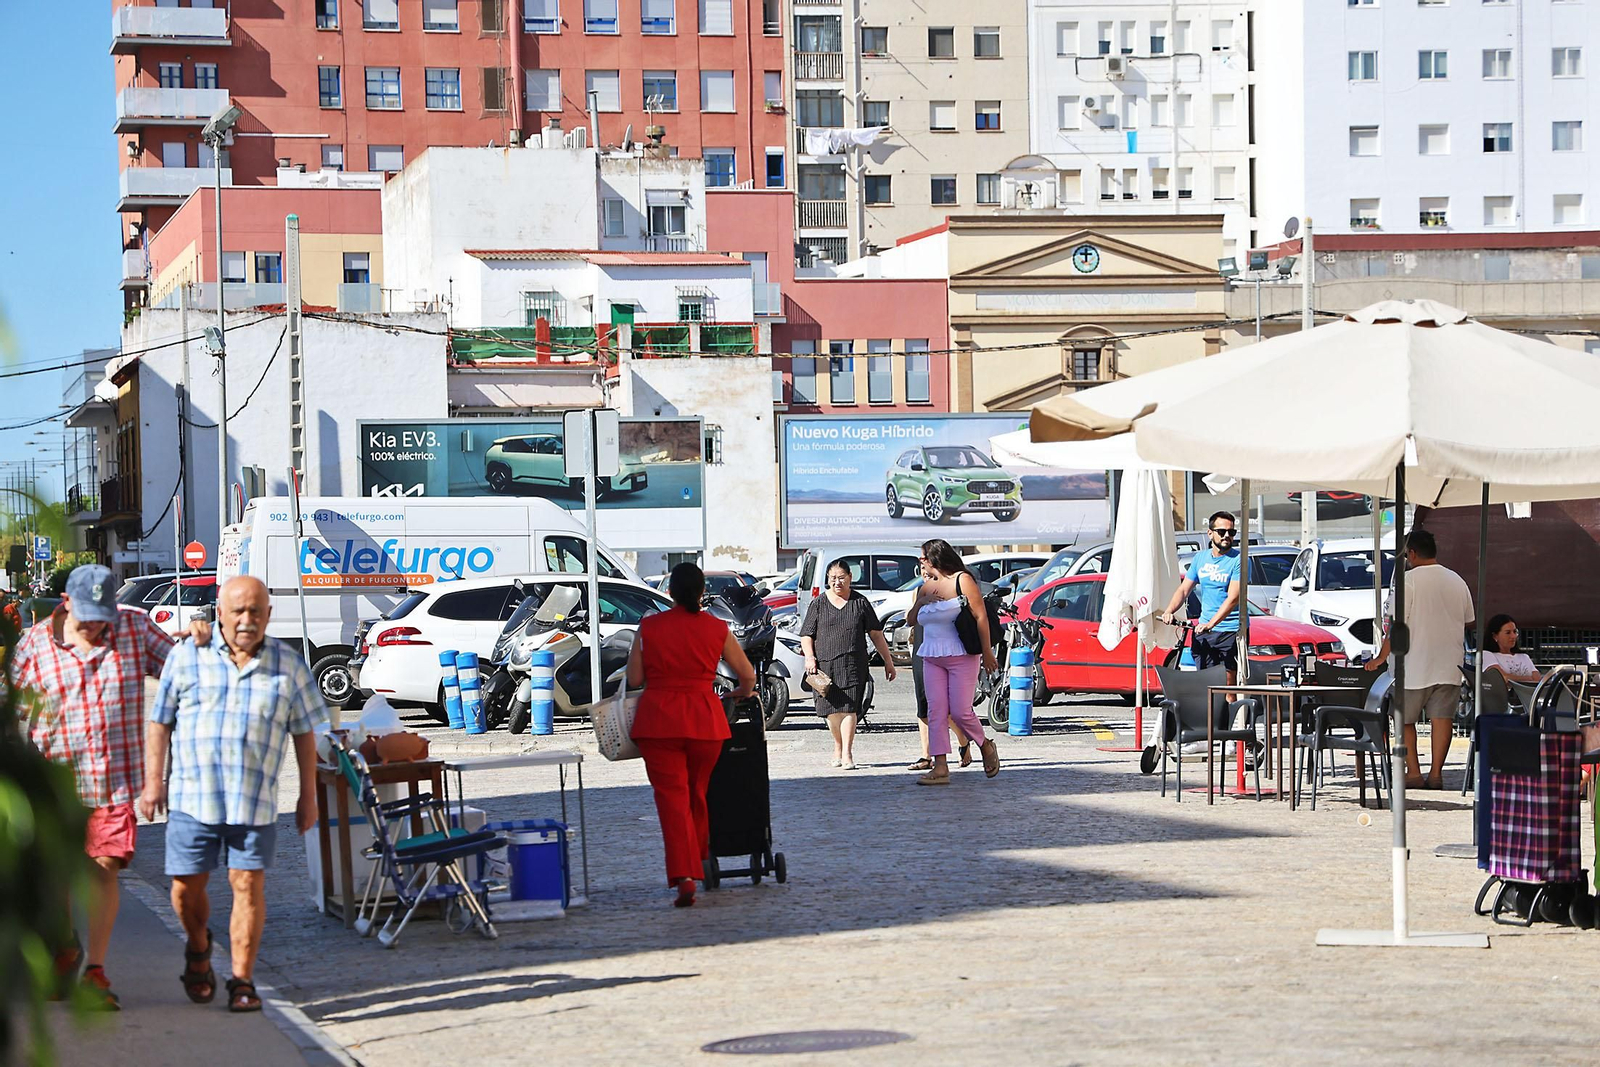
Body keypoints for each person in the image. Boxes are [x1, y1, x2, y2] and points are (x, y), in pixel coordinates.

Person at [139, 575, 321, 1013]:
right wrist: (153, 780)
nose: (246, 619)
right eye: (238, 610)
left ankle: (242, 980)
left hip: (253, 799)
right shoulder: (187, 657)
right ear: (219, 612)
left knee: (248, 887)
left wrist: (307, 795)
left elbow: (305, 732)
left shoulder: (288, 664)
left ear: (269, 615)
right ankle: (199, 947)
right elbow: (160, 722)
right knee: (184, 889)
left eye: (256, 611)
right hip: (190, 798)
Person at [9, 564, 183, 1010]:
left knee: (104, 868)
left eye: (102, 615)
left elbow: (183, 674)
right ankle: (66, 945)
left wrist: (204, 649)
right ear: (66, 603)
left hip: (113, 780)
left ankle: (96, 971)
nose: (95, 625)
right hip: (55, 784)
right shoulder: (33, 645)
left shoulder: (134, 628)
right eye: (86, 614)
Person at [627, 562, 756, 908]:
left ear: (669, 592)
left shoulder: (649, 627)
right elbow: (747, 676)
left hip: (658, 721)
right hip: (704, 720)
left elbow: (635, 679)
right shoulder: (717, 628)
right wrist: (741, 693)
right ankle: (698, 856)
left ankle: (685, 876)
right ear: (702, 593)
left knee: (672, 800)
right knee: (697, 794)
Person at [1366, 529, 1475, 790]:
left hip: (1412, 664)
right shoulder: (1457, 580)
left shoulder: (1408, 581)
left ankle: (1414, 772)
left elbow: (1395, 625)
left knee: (1404, 719)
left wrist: (1381, 657)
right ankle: (1436, 774)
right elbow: (1469, 619)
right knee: (1442, 719)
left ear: (1412, 553)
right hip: (1450, 663)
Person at [907, 540, 998, 785]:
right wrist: (920, 603)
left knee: (960, 711)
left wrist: (987, 652)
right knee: (935, 711)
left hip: (961, 655)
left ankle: (984, 744)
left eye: (923, 557)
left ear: (934, 558)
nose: (921, 562)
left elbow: (980, 617)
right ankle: (940, 766)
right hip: (932, 656)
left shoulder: (962, 580)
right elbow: (910, 620)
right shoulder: (926, 587)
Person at [799, 561, 897, 770]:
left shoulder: (860, 603)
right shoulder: (818, 603)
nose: (837, 582)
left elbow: (876, 635)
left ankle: (847, 753)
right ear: (827, 579)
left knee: (850, 709)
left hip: (854, 664)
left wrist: (888, 662)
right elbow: (807, 634)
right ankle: (837, 746)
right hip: (824, 665)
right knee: (831, 711)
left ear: (850, 577)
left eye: (841, 577)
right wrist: (810, 657)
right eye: (833, 578)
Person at [1159, 511, 1242, 681]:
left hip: (1230, 630)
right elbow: (1183, 590)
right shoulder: (1200, 559)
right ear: (1210, 533)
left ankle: (1229, 707)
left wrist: (1210, 624)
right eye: (1222, 532)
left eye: (1231, 532)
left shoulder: (1238, 560)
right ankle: (1209, 708)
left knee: (1228, 682)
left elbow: (1233, 598)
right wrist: (1169, 610)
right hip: (1204, 630)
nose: (1227, 536)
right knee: (1205, 680)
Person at [1481, 613, 1541, 684]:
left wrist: (1513, 678)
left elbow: (1538, 679)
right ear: (1495, 636)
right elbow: (1501, 677)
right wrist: (1529, 679)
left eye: (1515, 632)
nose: (1513, 636)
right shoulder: (1487, 655)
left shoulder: (1524, 657)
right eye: (1508, 633)